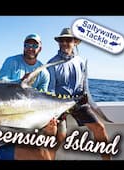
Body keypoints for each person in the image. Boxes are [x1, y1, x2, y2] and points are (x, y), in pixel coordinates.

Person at [47, 27, 111, 160]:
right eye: (62, 40)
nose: (65, 43)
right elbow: (51, 89)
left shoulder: (81, 62)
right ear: (59, 42)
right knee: (59, 137)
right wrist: (53, 113)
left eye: (68, 40)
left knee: (100, 128)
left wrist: (88, 101)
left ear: (75, 42)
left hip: (78, 102)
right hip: (59, 105)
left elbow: (85, 86)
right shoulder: (51, 63)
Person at [0, 33, 57, 160]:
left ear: (40, 48)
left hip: (29, 113)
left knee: (52, 134)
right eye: (27, 45)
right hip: (7, 110)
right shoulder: (11, 61)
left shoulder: (44, 72)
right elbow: (0, 84)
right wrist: (20, 81)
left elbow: (43, 98)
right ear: (23, 46)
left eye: (34, 45)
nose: (30, 48)